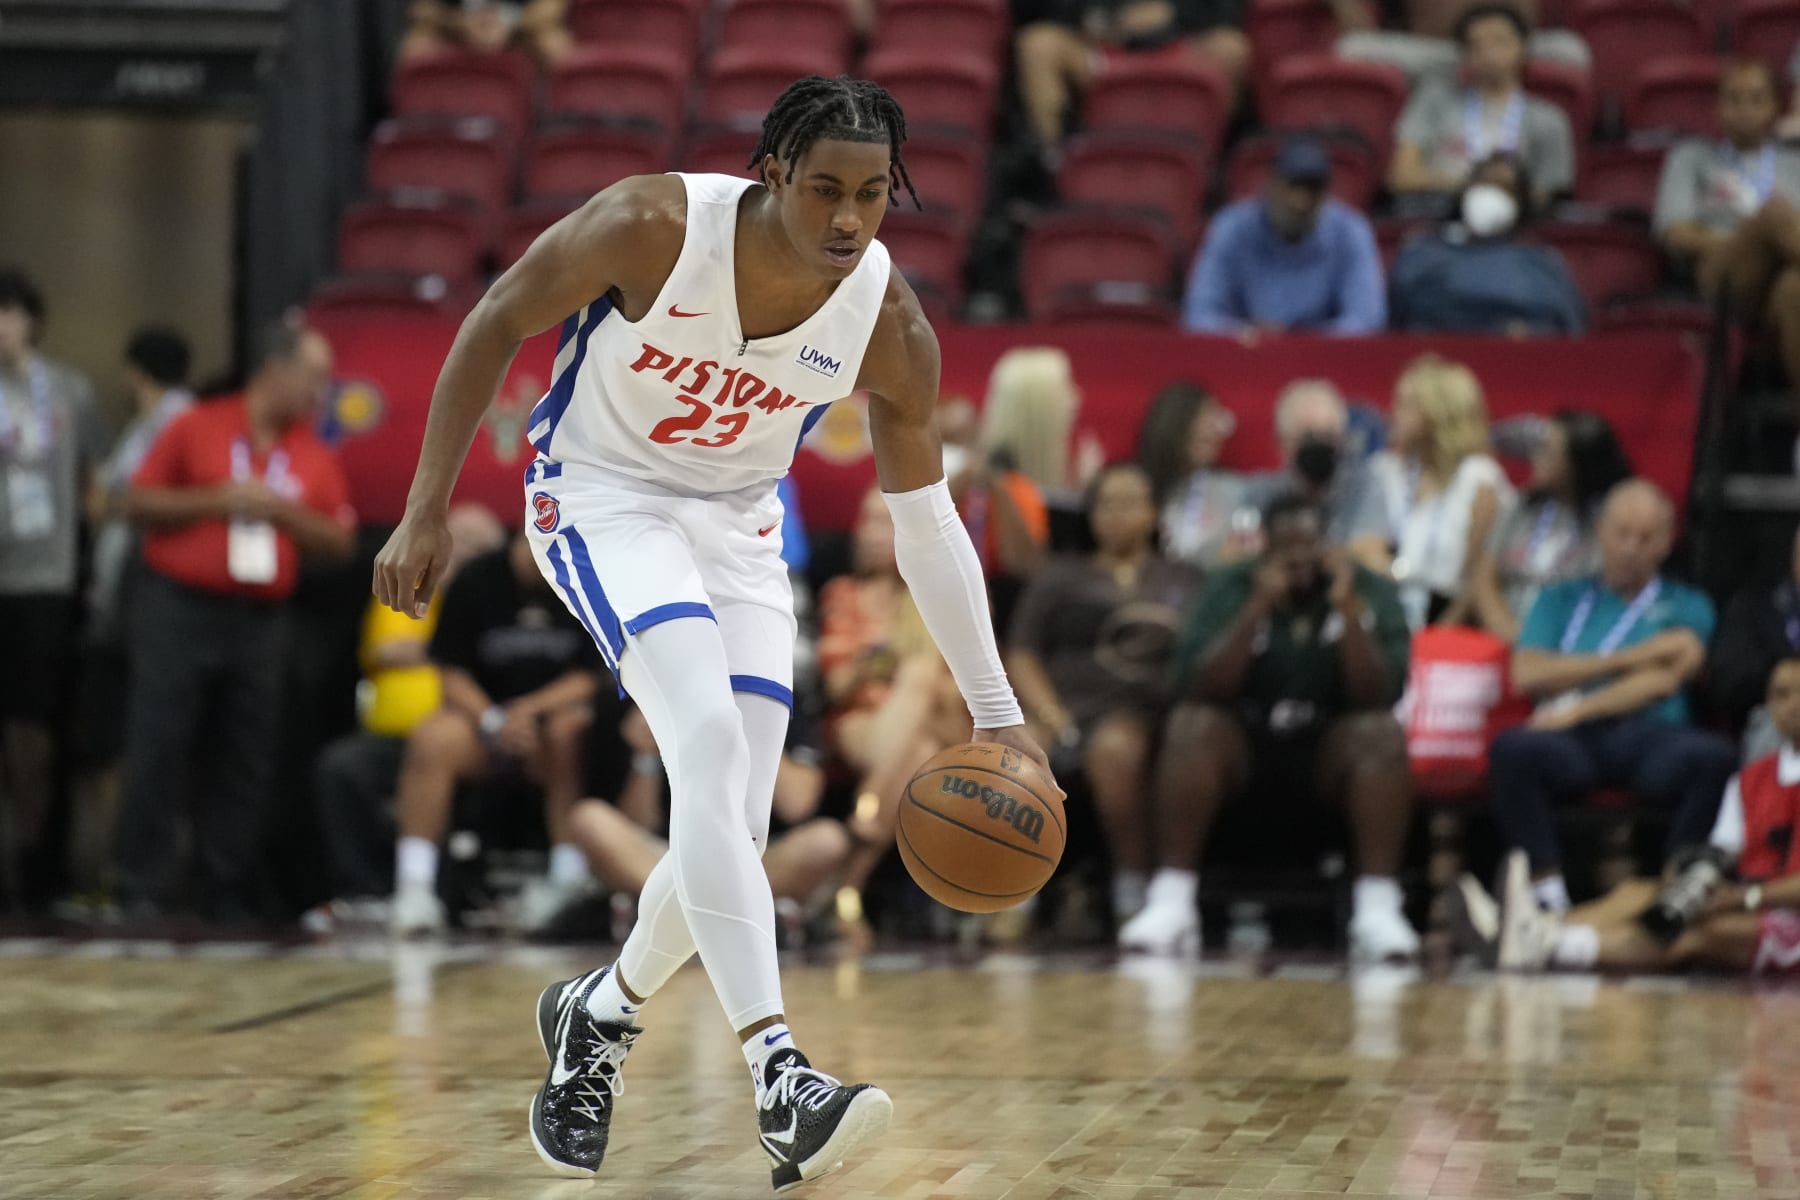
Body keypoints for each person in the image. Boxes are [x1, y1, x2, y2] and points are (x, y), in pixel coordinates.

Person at [370, 77, 1060, 1189]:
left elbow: (927, 525)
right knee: (705, 739)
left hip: (738, 527)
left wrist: (998, 714)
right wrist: (425, 509)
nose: (848, 218)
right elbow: (498, 315)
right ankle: (781, 1080)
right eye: (826, 188)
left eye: (872, 195)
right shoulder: (652, 226)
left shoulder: (887, 321)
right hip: (600, 495)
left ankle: (596, 1015)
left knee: (726, 823)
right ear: (774, 172)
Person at [116, 321, 356, 923]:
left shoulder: (312, 451)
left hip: (261, 621)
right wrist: (217, 500)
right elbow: (137, 502)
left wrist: (282, 512)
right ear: (275, 371)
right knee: (160, 746)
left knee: (245, 758)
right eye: (314, 377)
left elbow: (340, 542)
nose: (320, 392)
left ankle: (221, 890)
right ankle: (140, 887)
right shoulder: (198, 423)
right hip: (180, 609)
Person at [1116, 493, 1420, 959]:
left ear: (1327, 545)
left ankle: (1378, 909)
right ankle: (1171, 901)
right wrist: (1256, 607)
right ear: (1265, 547)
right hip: (1245, 747)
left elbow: (1379, 695)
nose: (1299, 558)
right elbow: (1197, 686)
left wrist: (1346, 610)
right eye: (1286, 548)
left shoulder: (1367, 588)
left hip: (1326, 749)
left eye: (1309, 546)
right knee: (1191, 725)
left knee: (1379, 733)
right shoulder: (1230, 586)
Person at [1453, 657, 1800, 976]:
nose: (1792, 704)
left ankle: (1551, 946)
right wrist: (1689, 883)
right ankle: (1525, 928)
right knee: (1642, 894)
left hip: (1784, 910)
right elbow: (1725, 854)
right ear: (1768, 706)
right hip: (1753, 899)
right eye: (1781, 694)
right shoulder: (1751, 778)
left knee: (1703, 931)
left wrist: (1743, 899)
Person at [1486, 480, 1739, 916]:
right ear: (1600, 533)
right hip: (1573, 742)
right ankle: (1546, 892)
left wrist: (1577, 703)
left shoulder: (1689, 604)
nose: (1630, 548)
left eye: (1645, 538)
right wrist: (1637, 656)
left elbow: (1660, 683)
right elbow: (1528, 673)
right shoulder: (1560, 597)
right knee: (1512, 750)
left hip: (1650, 735)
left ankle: (1672, 892)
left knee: (1714, 758)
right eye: (1621, 534)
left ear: (1666, 542)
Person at [387, 530, 611, 937]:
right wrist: (494, 720)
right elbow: (450, 670)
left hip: (548, 727)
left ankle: (566, 881)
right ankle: (414, 888)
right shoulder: (476, 579)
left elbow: (592, 675)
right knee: (432, 738)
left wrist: (530, 711)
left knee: (572, 730)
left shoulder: (582, 579)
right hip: (484, 725)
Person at [1008, 463, 1201, 926]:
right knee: (1016, 761)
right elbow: (1022, 652)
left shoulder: (1184, 579)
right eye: (1106, 504)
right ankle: (1012, 887)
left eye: (1129, 502)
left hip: (1142, 711)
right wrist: (1051, 714)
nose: (1116, 514)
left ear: (1154, 512)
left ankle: (1132, 886)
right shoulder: (1060, 576)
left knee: (1115, 751)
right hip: (1065, 706)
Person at [309, 503, 504, 925]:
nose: (466, 554)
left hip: (468, 735)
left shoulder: (493, 602)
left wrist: (428, 652)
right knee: (340, 768)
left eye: (479, 547)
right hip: (391, 736)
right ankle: (365, 893)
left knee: (442, 757)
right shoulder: (411, 585)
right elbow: (385, 650)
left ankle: (443, 894)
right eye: (461, 542)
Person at [816, 489, 969, 940]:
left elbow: (962, 691)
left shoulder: (946, 593)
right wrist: (871, 664)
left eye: (888, 522)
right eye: (869, 522)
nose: (877, 534)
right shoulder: (843, 593)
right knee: (916, 746)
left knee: (921, 680)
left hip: (944, 727)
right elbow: (838, 689)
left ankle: (866, 814)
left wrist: (908, 677)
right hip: (863, 725)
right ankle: (847, 888)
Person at [0, 267, 105, 909]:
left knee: (34, 729)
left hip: (46, 576)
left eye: (11, 312)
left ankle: (37, 864)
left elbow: (95, 478)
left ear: (31, 320)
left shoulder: (68, 390)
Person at [1652, 61, 1800, 452]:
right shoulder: (1692, 158)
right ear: (1717, 108)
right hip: (1723, 275)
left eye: (1756, 99)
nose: (1745, 109)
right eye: (1733, 99)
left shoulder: (1794, 163)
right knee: (1777, 215)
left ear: (1775, 108)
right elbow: (1677, 232)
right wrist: (1752, 240)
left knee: (1794, 290)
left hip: (1782, 279)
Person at [1362, 354, 1515, 628]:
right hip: (1390, 612)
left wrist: (1437, 637)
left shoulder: (1479, 479)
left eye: (1406, 404)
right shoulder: (1389, 470)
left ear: (1438, 412)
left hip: (1448, 618)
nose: (1392, 413)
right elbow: (1362, 547)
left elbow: (1477, 578)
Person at [1182, 137, 1386, 337]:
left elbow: (1366, 321)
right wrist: (1247, 334)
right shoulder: (1231, 228)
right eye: (1292, 187)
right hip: (1243, 358)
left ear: (1325, 194)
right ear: (1270, 185)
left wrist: (1298, 343)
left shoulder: (1350, 231)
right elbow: (1199, 315)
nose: (1300, 202)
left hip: (1324, 364)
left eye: (1312, 191)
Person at [1467, 410, 1632, 642]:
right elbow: (1484, 576)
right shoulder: (1520, 508)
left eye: (1548, 451)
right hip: (1503, 639)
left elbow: (1609, 599)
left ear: (1578, 462)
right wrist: (1508, 631)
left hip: (1568, 649)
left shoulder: (1610, 522)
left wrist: (1540, 649)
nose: (1535, 456)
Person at [1013, 0, 1251, 159]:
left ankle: (1207, 164)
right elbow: (1042, 10)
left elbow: (1226, 11)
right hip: (1101, 50)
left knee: (1231, 48)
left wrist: (1173, 13)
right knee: (1038, 45)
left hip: (1181, 48)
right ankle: (1053, 161)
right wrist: (1099, 18)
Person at [1388, 5, 1574, 205]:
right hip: (1439, 217)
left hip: (1517, 224)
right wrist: (1469, 183)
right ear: (1464, 55)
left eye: (1499, 42)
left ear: (1522, 47)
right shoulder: (1435, 102)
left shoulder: (1548, 119)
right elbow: (1401, 177)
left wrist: (1511, 191)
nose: (1488, 53)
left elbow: (1553, 193)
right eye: (1476, 45)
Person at [1388, 153, 1586, 335]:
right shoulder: (1422, 254)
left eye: (1504, 188)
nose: (1490, 196)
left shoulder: (1544, 265)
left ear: (1520, 202)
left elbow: (1573, 330)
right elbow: (1394, 324)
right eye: (1484, 184)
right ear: (1467, 190)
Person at [1242, 378, 1390, 550]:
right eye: (1308, 437)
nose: (1319, 447)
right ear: (1282, 443)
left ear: (1343, 439)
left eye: (1328, 436)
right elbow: (1238, 555)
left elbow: (1369, 554)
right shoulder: (1260, 492)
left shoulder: (1363, 489)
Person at [1332, 0, 1589, 87]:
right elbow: (1367, 29)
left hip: (1514, 50)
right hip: (1436, 54)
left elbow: (1528, 17)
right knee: (1353, 49)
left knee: (1572, 52)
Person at [1135, 381, 1250, 570]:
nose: (1216, 429)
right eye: (1205, 418)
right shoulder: (1133, 487)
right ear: (1174, 423)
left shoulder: (1234, 490)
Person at [1710, 525, 1800, 763]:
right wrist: (1782, 680)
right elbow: (1729, 683)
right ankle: (1765, 798)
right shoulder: (1754, 609)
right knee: (1772, 725)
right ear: (1795, 557)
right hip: (1771, 716)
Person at [399, 0, 573, 69]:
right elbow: (421, 9)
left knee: (556, 48)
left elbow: (552, 7)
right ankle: (421, 130)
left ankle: (555, 134)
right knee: (415, 50)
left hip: (519, 29)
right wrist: (459, 23)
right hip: (456, 27)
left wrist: (510, 24)